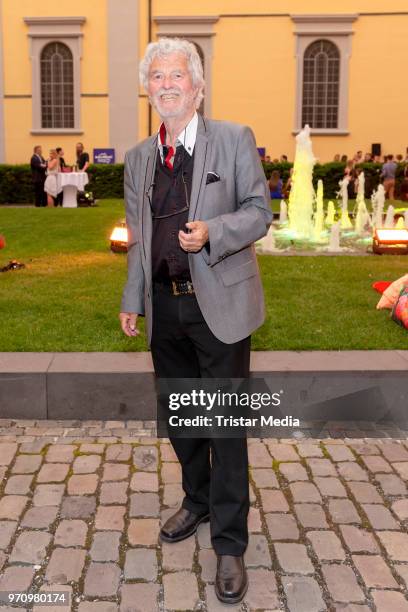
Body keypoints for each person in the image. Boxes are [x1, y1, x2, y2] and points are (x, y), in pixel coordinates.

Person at [119, 37, 272, 605]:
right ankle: (197, 499)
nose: (166, 84)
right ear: (148, 89)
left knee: (226, 428)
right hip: (165, 307)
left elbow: (259, 213)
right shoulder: (139, 157)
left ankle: (230, 544)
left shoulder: (232, 139)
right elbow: (137, 238)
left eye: (176, 74)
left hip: (222, 307)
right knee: (183, 420)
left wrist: (214, 232)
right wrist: (133, 297)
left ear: (198, 86)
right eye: (156, 76)